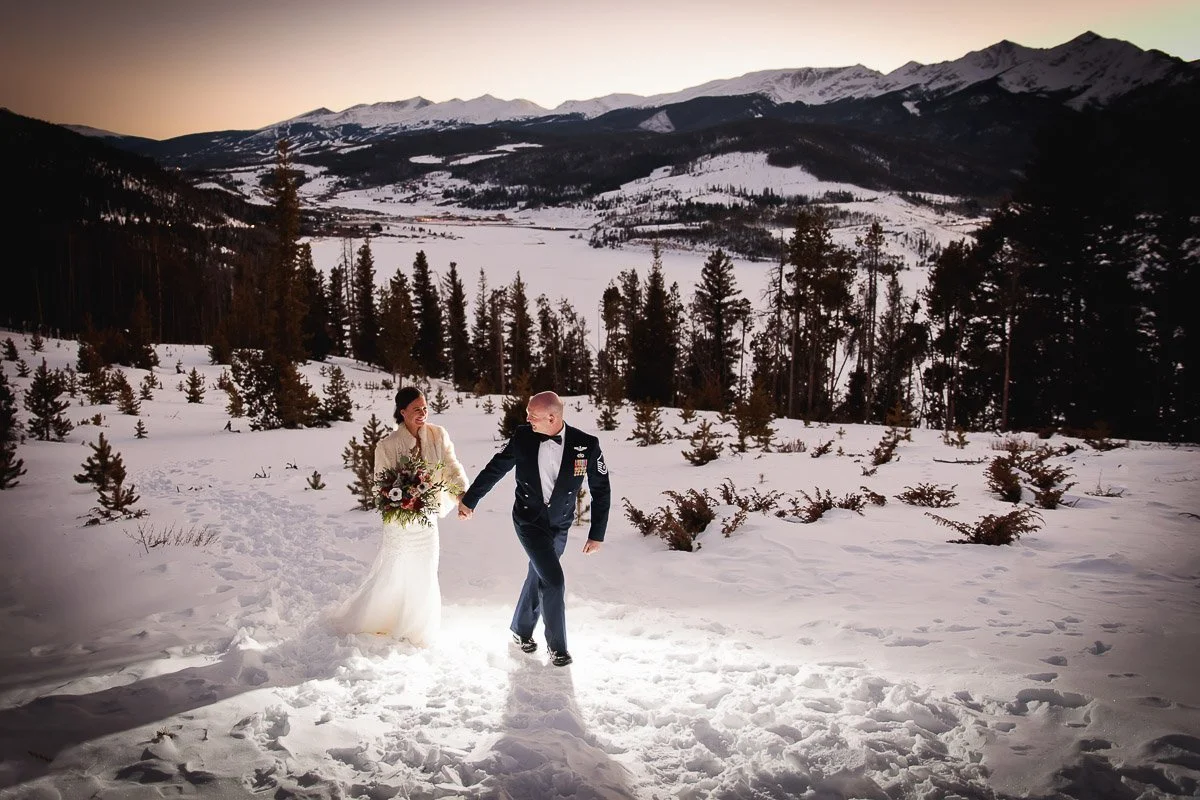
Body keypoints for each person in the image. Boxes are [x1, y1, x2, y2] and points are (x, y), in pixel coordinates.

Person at [457, 391, 610, 666]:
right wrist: (470, 500)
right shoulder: (524, 437)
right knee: (554, 579)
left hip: (560, 524)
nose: (527, 418)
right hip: (528, 520)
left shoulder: (586, 444)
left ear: (552, 417)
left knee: (539, 573)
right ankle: (558, 648)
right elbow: (496, 468)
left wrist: (596, 533)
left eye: (533, 415)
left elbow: (601, 489)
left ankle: (520, 630)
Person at [329, 387, 468, 646]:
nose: (423, 413)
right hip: (399, 523)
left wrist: (462, 496)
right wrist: (402, 500)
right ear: (402, 412)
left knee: (425, 570)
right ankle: (380, 618)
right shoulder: (387, 445)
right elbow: (379, 484)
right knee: (396, 571)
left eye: (425, 408)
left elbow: (451, 467)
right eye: (416, 409)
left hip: (427, 519)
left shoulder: (439, 435)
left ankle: (418, 629)